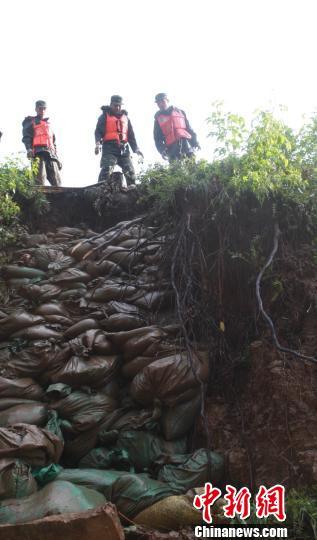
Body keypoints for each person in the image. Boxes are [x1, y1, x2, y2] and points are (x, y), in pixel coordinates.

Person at [94, 95, 143, 186]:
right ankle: (100, 188)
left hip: (124, 149)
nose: (117, 107)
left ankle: (132, 191)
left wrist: (136, 149)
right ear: (111, 105)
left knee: (130, 173)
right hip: (109, 148)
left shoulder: (126, 118)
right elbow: (98, 131)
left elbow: (131, 136)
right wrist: (97, 143)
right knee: (107, 169)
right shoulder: (104, 116)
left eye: (119, 105)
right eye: (115, 105)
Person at [22, 100, 61, 186]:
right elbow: (26, 137)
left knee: (57, 182)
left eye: (44, 109)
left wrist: (57, 158)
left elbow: (53, 142)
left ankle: (60, 198)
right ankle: (40, 198)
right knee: (40, 180)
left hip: (51, 155)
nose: (42, 111)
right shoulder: (30, 121)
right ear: (36, 109)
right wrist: (28, 149)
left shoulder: (48, 124)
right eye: (40, 109)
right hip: (38, 153)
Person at [153, 93, 200, 161]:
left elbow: (189, 129)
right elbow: (157, 138)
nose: (160, 104)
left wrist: (195, 142)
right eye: (158, 103)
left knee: (193, 168)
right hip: (171, 149)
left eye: (162, 101)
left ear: (167, 100)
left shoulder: (180, 112)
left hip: (186, 145)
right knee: (176, 170)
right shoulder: (158, 119)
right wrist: (162, 150)